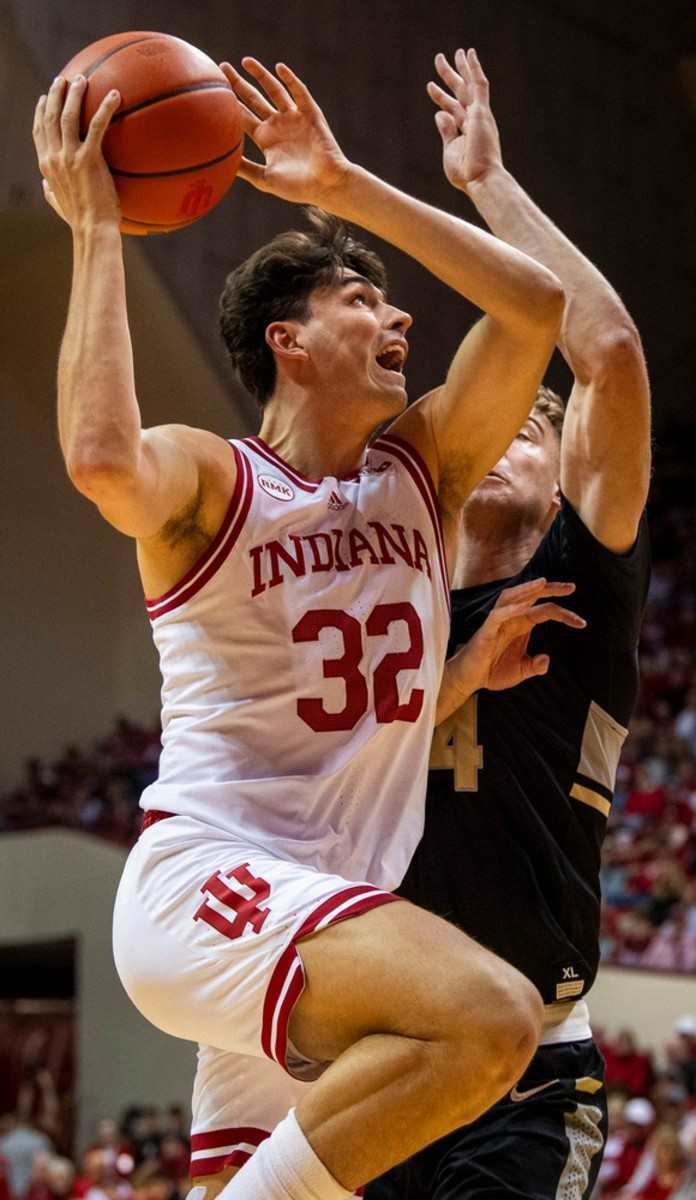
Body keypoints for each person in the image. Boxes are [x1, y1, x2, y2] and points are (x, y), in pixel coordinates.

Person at [32, 50, 579, 1200]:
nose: (400, 316)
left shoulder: (423, 469)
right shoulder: (215, 483)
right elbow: (98, 457)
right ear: (288, 341)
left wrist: (343, 185)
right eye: (361, 300)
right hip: (217, 887)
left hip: (334, 927)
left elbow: (535, 304)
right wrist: (94, 234)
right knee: (493, 1019)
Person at [176, 46, 651, 1200]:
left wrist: (487, 183)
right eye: (508, 426)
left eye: (539, 434)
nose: (515, 440)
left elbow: (605, 351)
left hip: (527, 1062)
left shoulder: (583, 579)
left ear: (558, 478)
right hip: (373, 1057)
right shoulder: (389, 566)